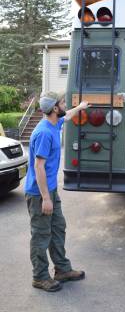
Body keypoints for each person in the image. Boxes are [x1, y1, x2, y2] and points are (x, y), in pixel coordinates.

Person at [25, 91, 89, 292]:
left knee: (58, 228)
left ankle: (62, 269)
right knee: (41, 235)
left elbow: (67, 115)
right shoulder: (44, 132)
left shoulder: (55, 123)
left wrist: (80, 108)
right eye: (62, 102)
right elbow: (38, 167)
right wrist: (45, 198)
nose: (64, 105)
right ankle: (40, 277)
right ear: (54, 108)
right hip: (39, 194)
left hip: (50, 190)